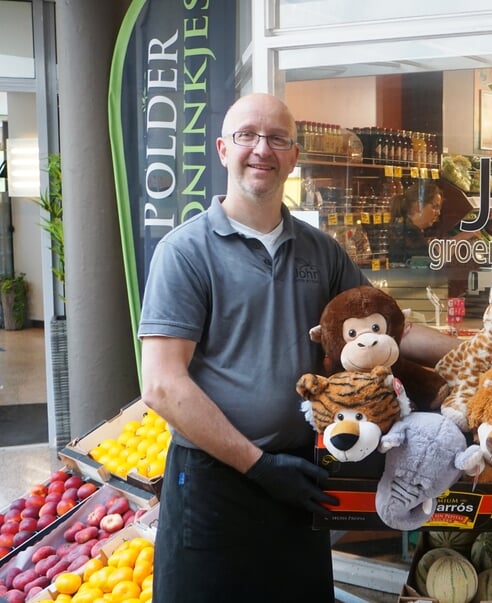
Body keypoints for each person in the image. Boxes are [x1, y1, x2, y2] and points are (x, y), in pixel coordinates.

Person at [138, 93, 457, 602]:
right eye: (247, 135)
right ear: (223, 149)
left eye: (277, 139)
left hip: (299, 476)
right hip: (213, 485)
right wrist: (258, 466)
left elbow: (385, 331)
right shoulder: (185, 252)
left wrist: (473, 355)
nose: (261, 149)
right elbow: (161, 384)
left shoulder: (321, 250)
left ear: (294, 155)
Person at [388, 179, 444, 263]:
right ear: (419, 206)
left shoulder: (404, 227)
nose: (438, 213)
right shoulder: (410, 233)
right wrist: (462, 237)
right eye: (435, 207)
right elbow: (434, 262)